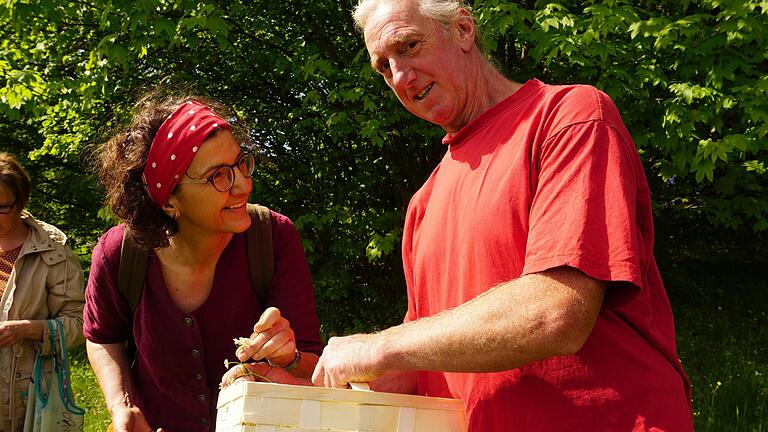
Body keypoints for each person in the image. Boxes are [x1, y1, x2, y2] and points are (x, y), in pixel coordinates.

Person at [311, 1, 694, 430]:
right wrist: (290, 379)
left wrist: (379, 346)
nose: (400, 76)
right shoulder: (423, 201)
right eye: (384, 66)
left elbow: (557, 312)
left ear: (462, 29)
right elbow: (420, 364)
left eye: (409, 45)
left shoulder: (569, 117)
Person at [84, 94, 323, 432]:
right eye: (218, 176)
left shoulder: (273, 238)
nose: (242, 184)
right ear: (169, 201)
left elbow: (311, 363)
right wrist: (123, 406)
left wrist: (290, 357)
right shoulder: (119, 253)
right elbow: (102, 336)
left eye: (241, 163)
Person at [0, 152, 85, 432]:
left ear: (20, 202)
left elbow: (79, 323)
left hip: (29, 399)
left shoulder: (53, 250)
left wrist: (27, 329)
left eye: (1, 208)